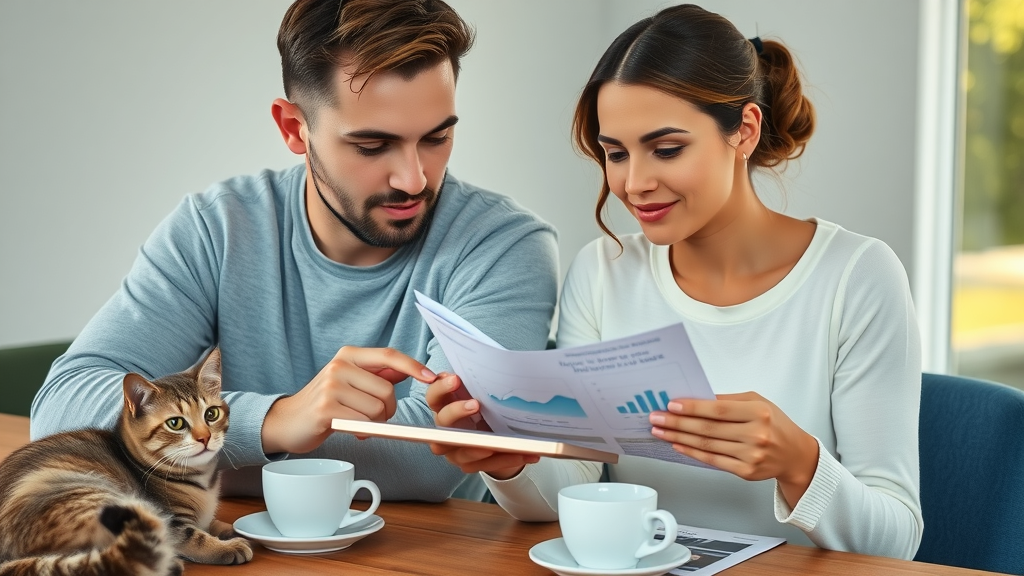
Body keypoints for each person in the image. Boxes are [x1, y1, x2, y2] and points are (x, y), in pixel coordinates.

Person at [427, 3, 923, 559]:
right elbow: (572, 485)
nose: (635, 183)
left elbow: (897, 542)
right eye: (616, 154)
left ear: (745, 131)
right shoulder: (602, 272)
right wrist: (508, 458)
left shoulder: (857, 277)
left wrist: (799, 463)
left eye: (666, 150)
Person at [31, 0, 558, 503]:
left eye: (436, 138)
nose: (413, 179)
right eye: (372, 146)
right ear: (294, 128)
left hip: (426, 551)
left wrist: (198, 456)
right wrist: (277, 420)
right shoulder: (216, 229)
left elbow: (434, 459)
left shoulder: (504, 246)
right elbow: (60, 412)